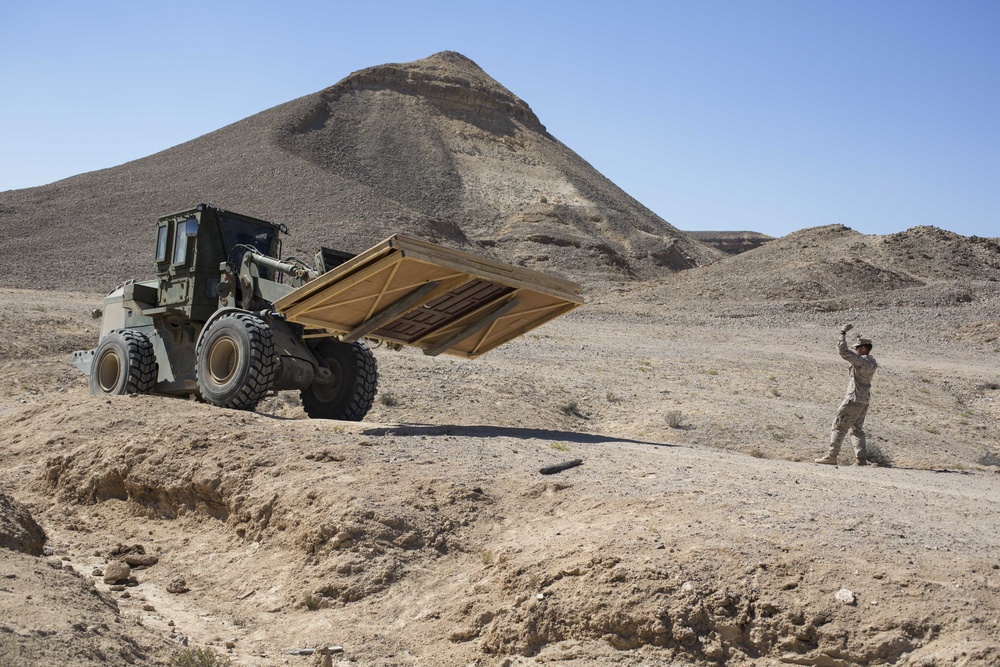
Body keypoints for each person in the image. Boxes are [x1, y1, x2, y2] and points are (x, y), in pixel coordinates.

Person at [815, 323, 878, 466]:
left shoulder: (862, 361)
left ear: (863, 349)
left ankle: (832, 456)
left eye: (856, 348)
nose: (855, 350)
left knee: (839, 425)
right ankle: (861, 459)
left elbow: (843, 351)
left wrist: (842, 333)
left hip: (853, 399)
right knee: (857, 429)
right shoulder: (872, 362)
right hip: (864, 401)